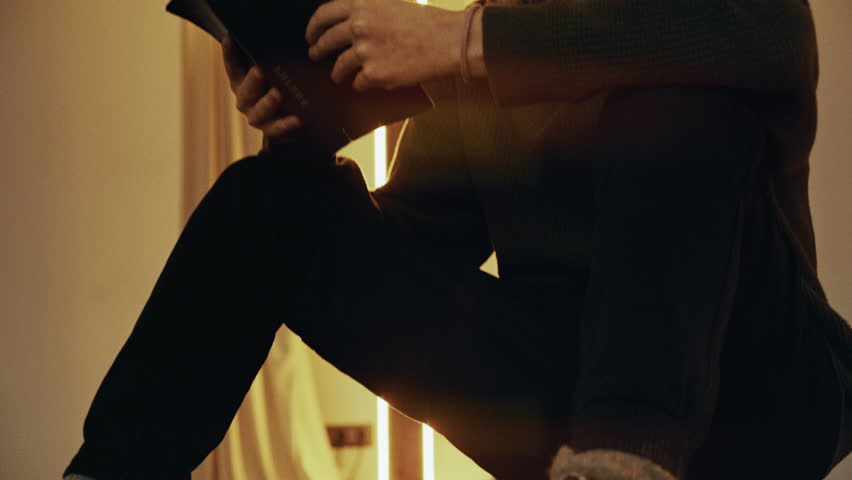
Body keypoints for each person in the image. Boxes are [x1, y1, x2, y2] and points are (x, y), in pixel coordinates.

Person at [64, 0, 851, 479]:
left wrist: (466, 44)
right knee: (268, 202)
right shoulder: (477, 75)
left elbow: (766, 37)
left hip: (754, 399)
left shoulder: (728, 18)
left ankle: (624, 459)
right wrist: (304, 130)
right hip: (568, 395)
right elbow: (411, 256)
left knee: (674, 111)